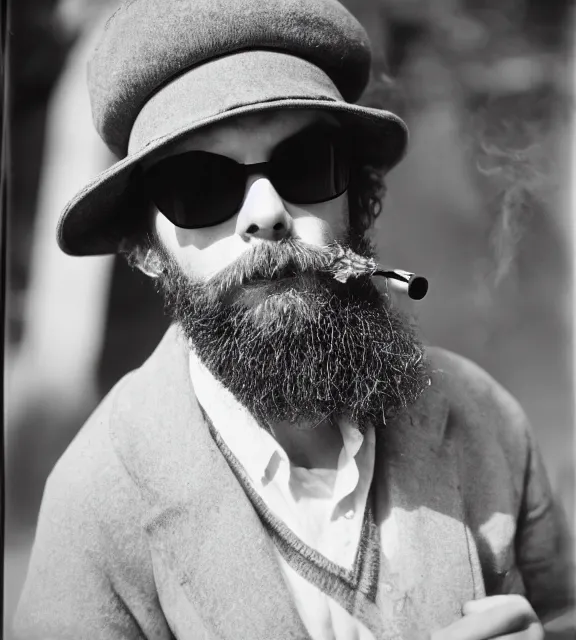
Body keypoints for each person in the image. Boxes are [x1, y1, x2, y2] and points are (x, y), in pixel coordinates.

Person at [14, 1, 573, 639]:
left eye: (305, 164)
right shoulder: (96, 504)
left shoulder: (483, 417)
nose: (267, 213)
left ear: (358, 201)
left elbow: (560, 611)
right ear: (146, 249)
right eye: (200, 186)